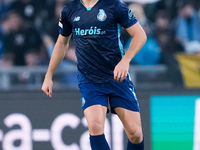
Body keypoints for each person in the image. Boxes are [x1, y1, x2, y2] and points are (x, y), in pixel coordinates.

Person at [41, 0, 146, 149]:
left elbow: (140, 35)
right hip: (90, 80)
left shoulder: (115, 5)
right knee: (95, 127)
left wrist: (125, 61)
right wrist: (48, 75)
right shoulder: (70, 10)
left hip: (117, 78)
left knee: (135, 134)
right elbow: (62, 44)